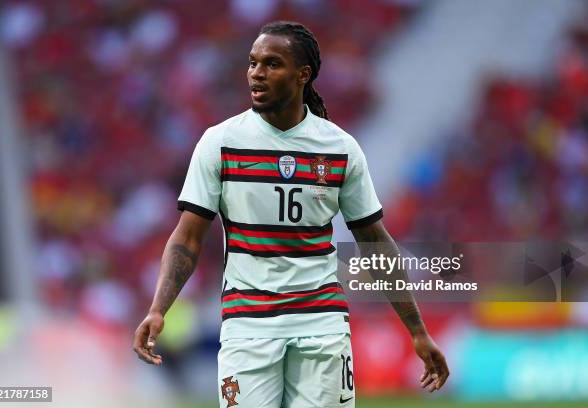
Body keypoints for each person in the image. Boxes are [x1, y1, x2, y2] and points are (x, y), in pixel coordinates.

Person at [133, 21, 449, 407]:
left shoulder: (339, 148)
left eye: (272, 63)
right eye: (252, 63)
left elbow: (375, 241)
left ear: (303, 75)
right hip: (248, 326)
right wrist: (158, 309)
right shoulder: (221, 143)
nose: (257, 73)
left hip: (321, 326)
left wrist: (416, 330)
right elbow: (187, 238)